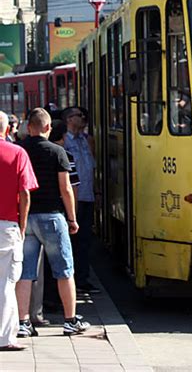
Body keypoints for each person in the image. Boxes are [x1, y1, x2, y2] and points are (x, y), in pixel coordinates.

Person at [15, 108, 90, 337]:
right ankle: (70, 321)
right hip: (53, 217)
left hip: (27, 218)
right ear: (48, 128)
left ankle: (23, 323)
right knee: (65, 270)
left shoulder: (21, 151)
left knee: (26, 272)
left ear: (29, 128)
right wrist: (72, 218)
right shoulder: (58, 152)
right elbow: (66, 189)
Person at [0, 111, 38, 351]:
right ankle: (5, 338)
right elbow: (25, 193)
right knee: (6, 284)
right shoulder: (17, 153)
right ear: (6, 129)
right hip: (7, 225)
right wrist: (22, 225)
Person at [63, 107, 99, 294]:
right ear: (69, 119)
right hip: (72, 199)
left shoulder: (86, 140)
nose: (84, 118)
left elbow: (91, 168)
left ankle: (82, 279)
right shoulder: (64, 142)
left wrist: (96, 192)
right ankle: (72, 280)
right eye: (79, 116)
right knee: (72, 241)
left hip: (87, 196)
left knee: (85, 241)